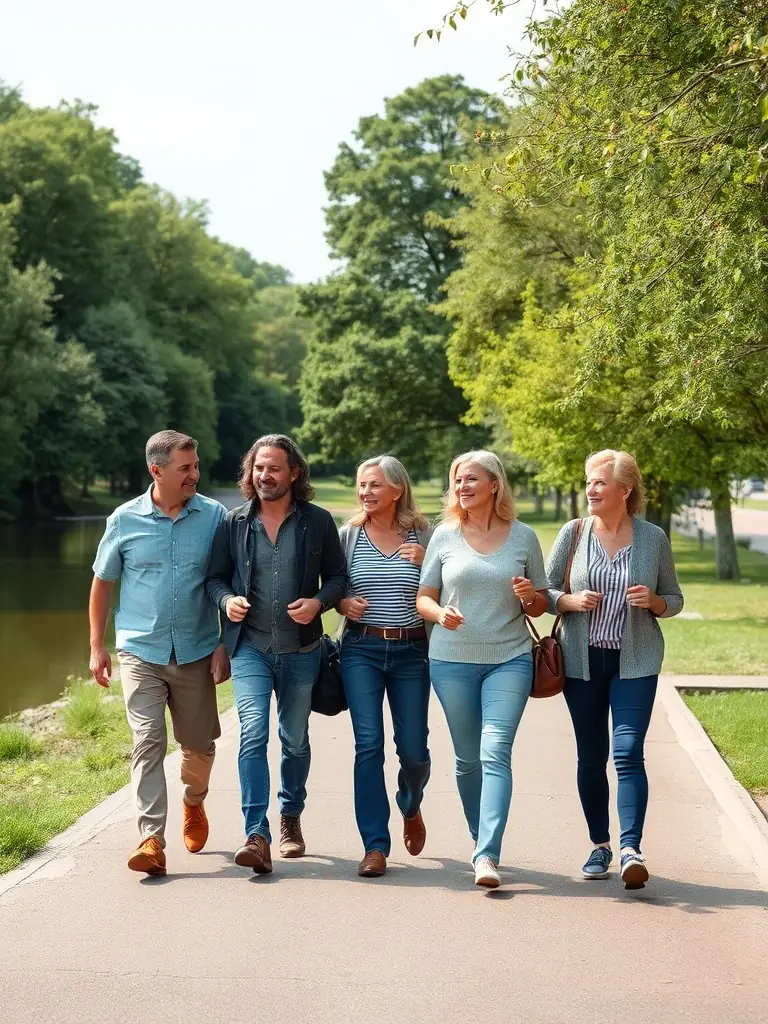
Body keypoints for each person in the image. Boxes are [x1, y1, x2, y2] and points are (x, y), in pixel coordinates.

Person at [89, 431, 229, 877]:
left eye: (196, 466)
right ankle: (151, 838)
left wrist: (224, 642)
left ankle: (193, 802)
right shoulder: (124, 519)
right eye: (185, 468)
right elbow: (102, 582)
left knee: (199, 747)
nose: (195, 474)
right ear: (157, 471)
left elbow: (230, 580)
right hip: (140, 650)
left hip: (196, 649)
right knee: (147, 740)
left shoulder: (215, 517)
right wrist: (96, 645)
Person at [205, 434, 347, 874]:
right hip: (249, 649)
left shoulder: (318, 522)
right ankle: (256, 833)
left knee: (295, 739)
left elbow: (338, 579)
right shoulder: (233, 522)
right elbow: (215, 579)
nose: (264, 476)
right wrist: (226, 601)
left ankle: (290, 815)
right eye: (258, 468)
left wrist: (318, 603)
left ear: (294, 473)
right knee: (252, 733)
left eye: (274, 468)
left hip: (302, 651)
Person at [547, 449, 683, 889]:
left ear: (625, 490)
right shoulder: (574, 533)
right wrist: (569, 601)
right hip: (581, 663)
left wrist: (656, 603)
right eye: (588, 481)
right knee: (591, 755)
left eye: (600, 482)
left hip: (636, 661)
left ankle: (630, 849)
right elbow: (546, 591)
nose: (591, 489)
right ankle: (599, 845)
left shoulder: (653, 538)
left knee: (627, 752)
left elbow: (675, 598)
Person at [416, 450, 549, 889]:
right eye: (457, 480)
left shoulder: (524, 536)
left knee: (496, 751)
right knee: (468, 758)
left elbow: (540, 604)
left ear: (495, 484)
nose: (462, 486)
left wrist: (530, 594)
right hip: (451, 661)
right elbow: (424, 597)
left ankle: (487, 852)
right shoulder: (444, 536)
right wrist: (439, 616)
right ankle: (480, 837)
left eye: (471, 478)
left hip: (508, 659)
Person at [337, 455, 432, 878]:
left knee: (413, 750)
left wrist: (427, 561)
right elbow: (330, 585)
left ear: (397, 489)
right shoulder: (348, 536)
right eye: (361, 484)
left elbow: (449, 582)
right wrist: (341, 602)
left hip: (413, 653)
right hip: (362, 650)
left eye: (374, 485)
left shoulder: (424, 533)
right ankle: (374, 845)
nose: (366, 492)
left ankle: (410, 804)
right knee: (368, 745)